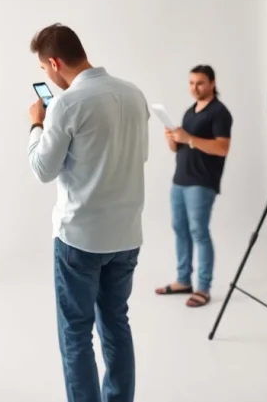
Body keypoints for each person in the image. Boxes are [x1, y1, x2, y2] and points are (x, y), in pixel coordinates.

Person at [26, 23, 149, 402]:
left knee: (76, 333)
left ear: (54, 62)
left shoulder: (66, 103)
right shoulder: (133, 94)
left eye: (44, 69)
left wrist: (36, 124)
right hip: (127, 235)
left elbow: (43, 170)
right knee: (116, 324)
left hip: (80, 237)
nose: (46, 76)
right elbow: (138, 157)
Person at [156, 65, 232, 308]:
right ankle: (182, 280)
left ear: (212, 83)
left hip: (202, 182)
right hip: (180, 180)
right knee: (180, 229)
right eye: (191, 83)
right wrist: (172, 139)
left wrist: (188, 138)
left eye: (199, 83)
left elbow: (222, 148)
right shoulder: (190, 112)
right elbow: (179, 149)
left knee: (199, 232)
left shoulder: (220, 113)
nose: (194, 87)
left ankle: (203, 287)